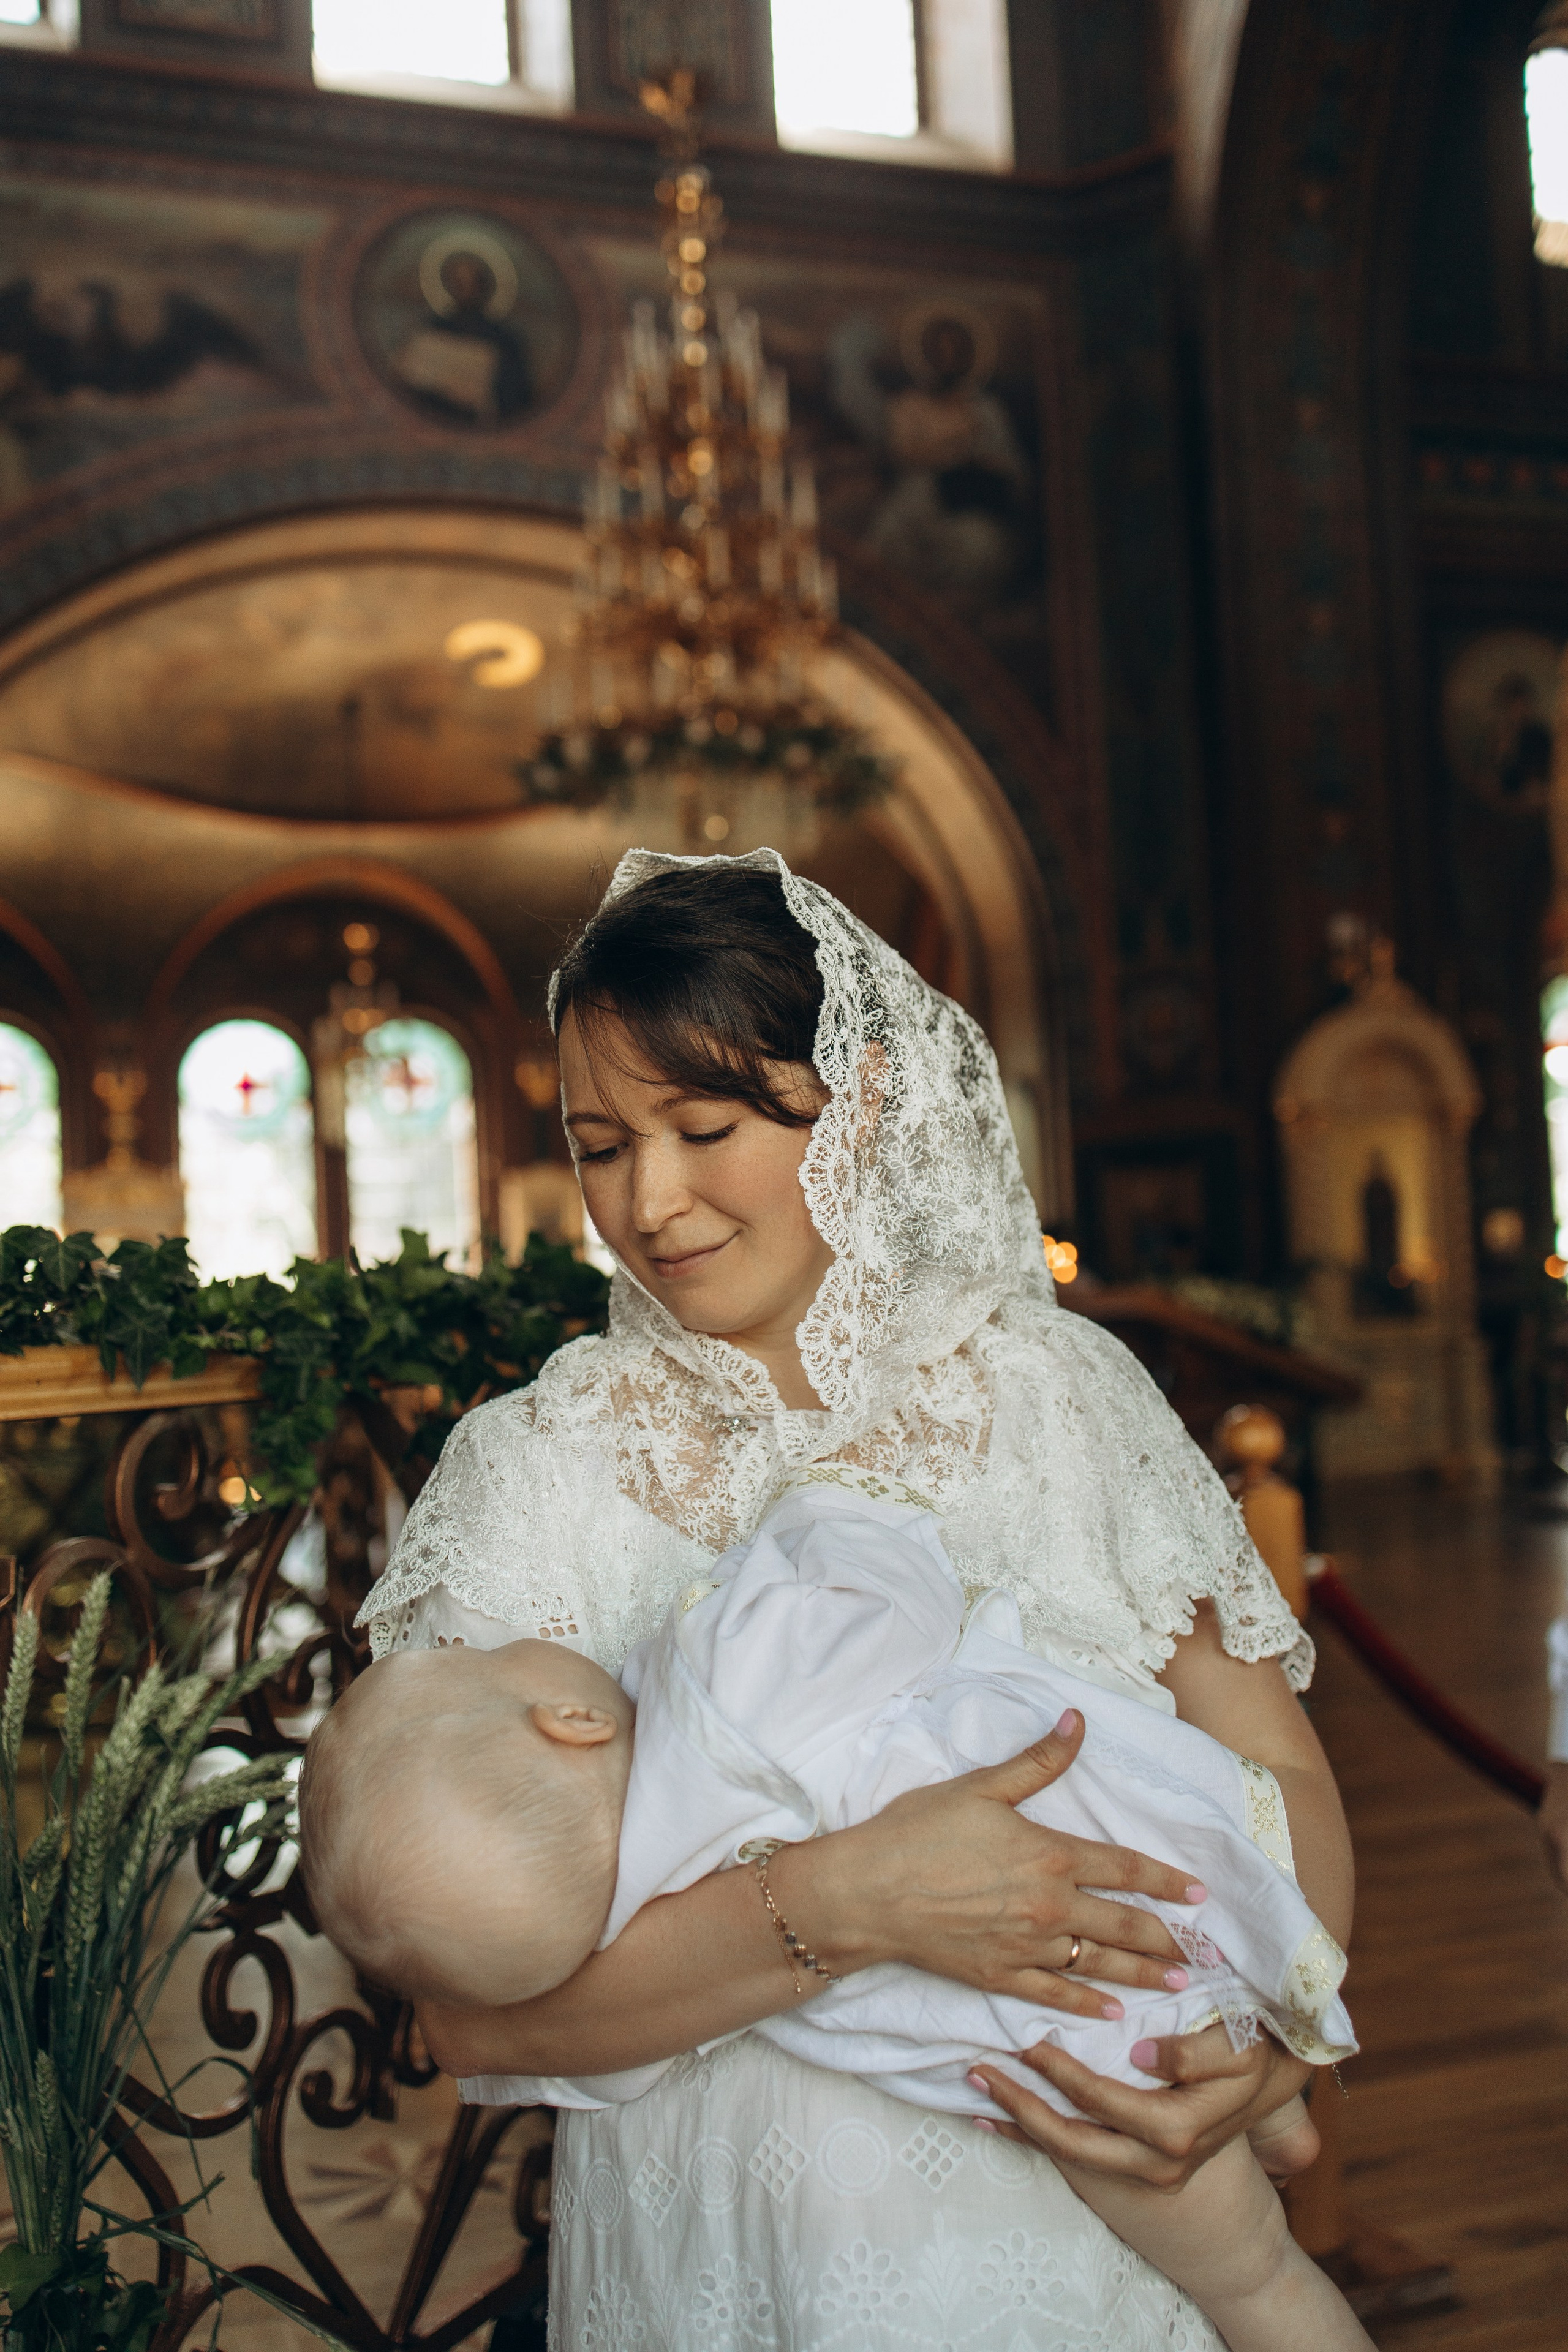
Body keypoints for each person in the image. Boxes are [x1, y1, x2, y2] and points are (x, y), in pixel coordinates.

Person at [358, 848, 1355, 2350]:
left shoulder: (1058, 1393)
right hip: (726, 2261)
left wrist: (1277, 2040)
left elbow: (1275, 1763)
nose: (651, 1199)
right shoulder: (533, 1469)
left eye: (702, 1127)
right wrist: (841, 1904)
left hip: (1087, 2234)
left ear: (864, 1104)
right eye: (598, 1143)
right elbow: (467, 2014)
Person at [315, 1476, 1367, 2352]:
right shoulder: (716, 1681)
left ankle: (1258, 2086)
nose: (654, 1209)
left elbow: (536, 2011)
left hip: (1051, 2079)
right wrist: (843, 1896)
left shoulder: (610, 1899)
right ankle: (1262, 2071)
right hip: (1123, 2000)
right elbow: (883, 1584)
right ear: (575, 1720)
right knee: (1268, 2282)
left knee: (1255, 2284)